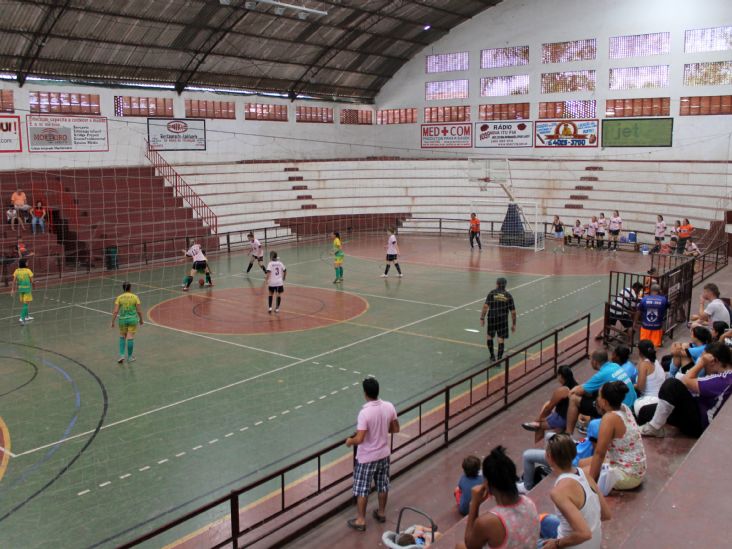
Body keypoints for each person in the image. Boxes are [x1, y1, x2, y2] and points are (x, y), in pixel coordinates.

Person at [640, 342, 732, 438]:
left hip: (699, 423)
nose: (704, 365)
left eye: (704, 361)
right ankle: (652, 428)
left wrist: (700, 364)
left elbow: (686, 381)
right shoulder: (724, 377)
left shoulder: (723, 380)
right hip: (696, 410)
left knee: (672, 384)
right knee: (645, 412)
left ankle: (654, 427)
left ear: (714, 361)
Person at [458, 446, 539, 549]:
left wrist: (474, 503)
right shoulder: (529, 502)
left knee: (460, 546)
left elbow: (470, 545)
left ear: (487, 483)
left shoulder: (487, 522)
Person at [538, 433, 610, 549]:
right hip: (595, 544)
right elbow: (606, 515)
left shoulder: (558, 492)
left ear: (549, 457)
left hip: (572, 544)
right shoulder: (585, 474)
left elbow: (584, 534)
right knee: (541, 520)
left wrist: (556, 544)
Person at [345, 377, 399, 531]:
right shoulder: (389, 406)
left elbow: (360, 438)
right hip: (383, 454)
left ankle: (361, 520)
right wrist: (381, 430)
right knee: (383, 484)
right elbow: (395, 429)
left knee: (362, 488)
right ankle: (381, 513)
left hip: (367, 457)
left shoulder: (365, 413)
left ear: (365, 393)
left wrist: (350, 441)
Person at [580, 381, 646, 495]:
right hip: (635, 467)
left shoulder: (609, 418)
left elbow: (599, 454)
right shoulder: (624, 408)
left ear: (605, 402)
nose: (597, 399)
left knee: (580, 475)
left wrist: (591, 481)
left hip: (629, 475)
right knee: (581, 463)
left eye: (599, 396)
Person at [565, 349, 637, 436]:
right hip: (631, 403)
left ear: (594, 362)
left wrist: (571, 391)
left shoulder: (601, 375)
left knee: (573, 399)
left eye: (590, 359)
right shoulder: (614, 366)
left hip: (620, 408)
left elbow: (578, 391)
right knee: (596, 392)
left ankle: (568, 435)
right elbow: (589, 387)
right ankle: (592, 421)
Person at [518, 419, 601, 494]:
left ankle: (527, 487)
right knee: (549, 435)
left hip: (568, 456)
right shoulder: (601, 426)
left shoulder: (596, 429)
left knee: (527, 455)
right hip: (574, 446)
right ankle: (551, 463)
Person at [521, 365, 578, 443]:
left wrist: (539, 419)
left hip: (560, 419)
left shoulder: (562, 390)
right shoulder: (577, 386)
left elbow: (549, 407)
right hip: (571, 418)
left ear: (560, 376)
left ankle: (536, 426)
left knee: (539, 425)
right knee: (546, 404)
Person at [480, 277, 516, 362]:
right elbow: (513, 312)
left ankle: (492, 356)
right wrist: (514, 324)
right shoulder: (508, 296)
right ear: (505, 285)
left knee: (489, 336)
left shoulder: (492, 293)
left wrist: (482, 318)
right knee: (500, 339)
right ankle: (499, 359)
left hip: (492, 317)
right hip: (503, 319)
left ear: (497, 284)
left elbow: (485, 306)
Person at [633, 339, 667, 423]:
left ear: (640, 352)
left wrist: (631, 385)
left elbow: (640, 387)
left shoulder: (644, 365)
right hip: (661, 397)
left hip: (650, 401)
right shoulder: (656, 361)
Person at [111, 281, 144, 364]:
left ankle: (122, 355)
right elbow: (139, 311)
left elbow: (115, 311)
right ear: (130, 288)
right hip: (132, 320)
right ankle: (129, 357)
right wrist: (141, 319)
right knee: (130, 337)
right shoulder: (135, 297)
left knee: (122, 336)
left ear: (123, 288)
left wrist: (112, 321)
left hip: (122, 320)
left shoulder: (119, 297)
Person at [638, 283, 668, 348]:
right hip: (657, 327)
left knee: (643, 345)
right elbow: (666, 307)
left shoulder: (644, 299)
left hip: (645, 326)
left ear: (650, 290)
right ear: (659, 291)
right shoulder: (663, 299)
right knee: (655, 346)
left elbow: (639, 310)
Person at [11, 258, 33, 324]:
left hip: (20, 289)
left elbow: (14, 281)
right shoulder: (28, 270)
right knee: (26, 303)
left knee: (25, 303)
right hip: (27, 289)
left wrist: (12, 289)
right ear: (25, 263)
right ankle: (21, 317)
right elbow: (32, 281)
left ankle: (27, 316)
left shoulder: (16, 271)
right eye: (27, 262)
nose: (27, 263)